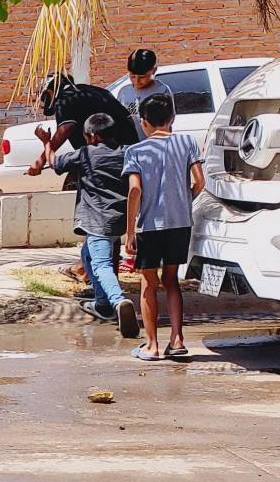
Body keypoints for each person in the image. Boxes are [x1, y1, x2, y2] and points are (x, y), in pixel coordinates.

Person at [122, 92, 204, 360]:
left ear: (143, 122)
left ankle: (152, 345)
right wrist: (184, 199)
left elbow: (135, 190)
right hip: (180, 223)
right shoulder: (187, 142)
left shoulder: (135, 151)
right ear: (173, 119)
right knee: (171, 281)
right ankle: (178, 341)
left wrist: (130, 231)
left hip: (149, 226)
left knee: (148, 283)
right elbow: (199, 181)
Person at [50, 112, 141, 339]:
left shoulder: (85, 154)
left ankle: (118, 302)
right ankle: (102, 304)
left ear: (91, 137)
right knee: (90, 255)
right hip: (119, 221)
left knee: (101, 265)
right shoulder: (126, 152)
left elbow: (55, 163)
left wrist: (46, 143)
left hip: (96, 221)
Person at [28, 72, 140, 177]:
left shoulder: (66, 98)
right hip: (127, 152)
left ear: (50, 92)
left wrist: (41, 160)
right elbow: (128, 118)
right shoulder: (97, 91)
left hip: (100, 158)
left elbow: (65, 130)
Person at [112, 48, 174, 137]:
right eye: (132, 76)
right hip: (130, 143)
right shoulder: (124, 92)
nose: (136, 81)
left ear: (154, 70)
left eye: (142, 77)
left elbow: (168, 121)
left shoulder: (162, 90)